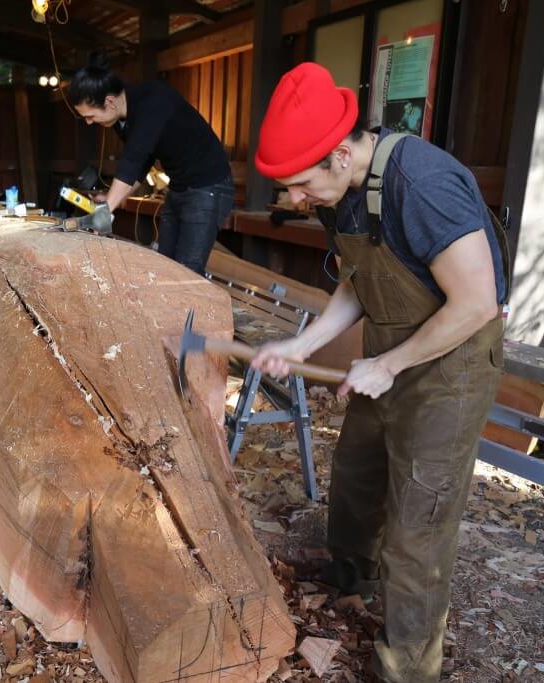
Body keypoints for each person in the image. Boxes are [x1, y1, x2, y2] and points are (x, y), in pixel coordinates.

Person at [250, 63, 508, 683]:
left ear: (340, 153)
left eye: (302, 185)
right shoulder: (339, 190)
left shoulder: (421, 185)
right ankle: (349, 582)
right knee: (360, 475)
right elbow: (358, 279)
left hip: (454, 359)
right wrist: (302, 341)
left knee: (419, 522)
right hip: (392, 351)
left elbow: (476, 302)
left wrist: (389, 364)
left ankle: (406, 668)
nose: (296, 200)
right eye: (288, 188)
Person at [67, 53, 233, 274]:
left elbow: (133, 157)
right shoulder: (121, 119)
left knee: (188, 272)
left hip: (209, 186)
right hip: (179, 186)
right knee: (165, 265)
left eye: (89, 116)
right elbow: (142, 164)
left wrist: (106, 211)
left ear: (109, 102)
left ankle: (191, 309)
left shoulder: (154, 100)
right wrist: (110, 199)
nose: (88, 122)